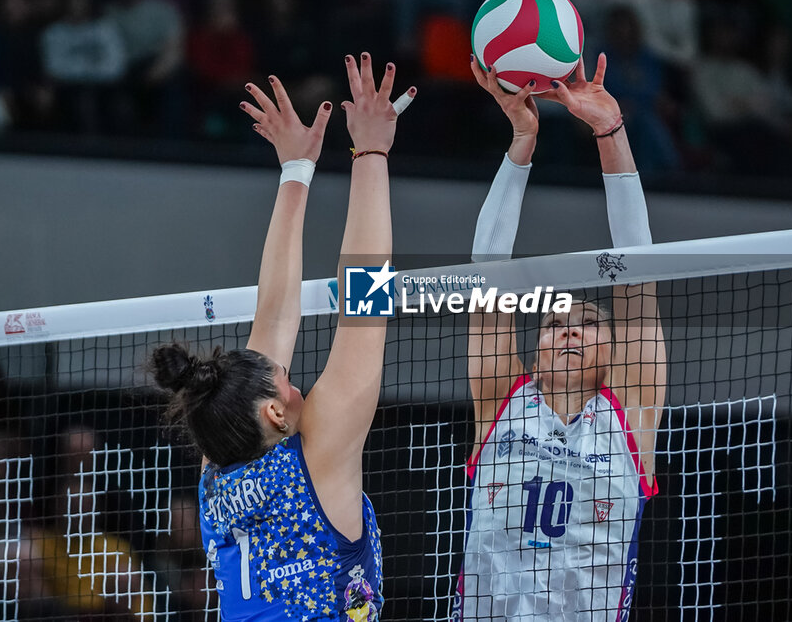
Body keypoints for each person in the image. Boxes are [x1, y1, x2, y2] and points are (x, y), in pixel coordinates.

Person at [151, 53, 415, 621]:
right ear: (273, 412)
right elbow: (357, 305)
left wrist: (302, 167)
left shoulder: (219, 474)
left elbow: (282, 318)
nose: (297, 386)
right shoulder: (306, 458)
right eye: (287, 380)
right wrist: (369, 152)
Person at [457, 54, 666, 620]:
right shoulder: (502, 401)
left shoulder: (631, 411)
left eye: (590, 322)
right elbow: (487, 270)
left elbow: (638, 269)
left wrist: (610, 132)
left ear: (614, 351)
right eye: (552, 323)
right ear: (535, 353)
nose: (570, 327)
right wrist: (522, 139)